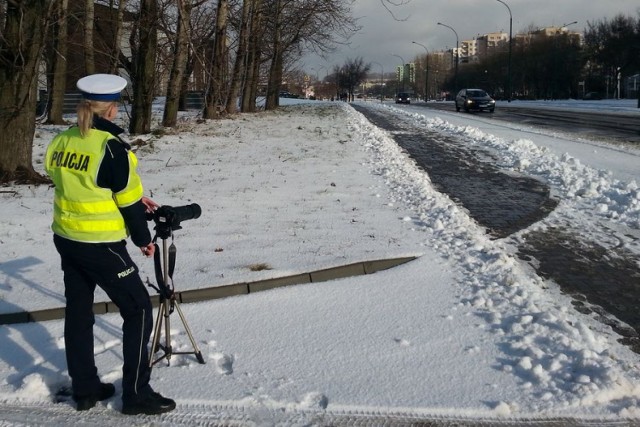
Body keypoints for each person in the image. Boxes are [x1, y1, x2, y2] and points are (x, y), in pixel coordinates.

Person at [44, 74, 176, 415]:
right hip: (102, 245)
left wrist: (122, 193)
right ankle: (136, 394)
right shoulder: (113, 148)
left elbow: (73, 182)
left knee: (78, 311)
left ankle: (85, 389)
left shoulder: (62, 141)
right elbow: (129, 206)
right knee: (139, 310)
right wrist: (145, 242)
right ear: (113, 109)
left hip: (67, 239)